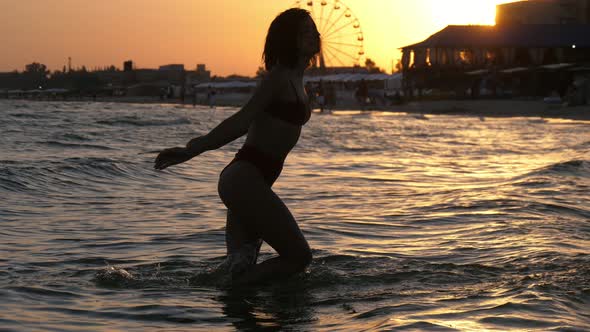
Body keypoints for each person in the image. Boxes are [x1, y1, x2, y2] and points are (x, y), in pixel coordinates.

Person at [154, 8, 321, 285]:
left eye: (314, 30)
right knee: (298, 257)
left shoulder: (297, 79)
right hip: (245, 179)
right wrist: (193, 148)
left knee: (241, 266)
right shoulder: (278, 78)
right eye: (304, 32)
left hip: (254, 183)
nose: (313, 36)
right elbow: (242, 120)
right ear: (288, 39)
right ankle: (211, 292)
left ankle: (219, 299)